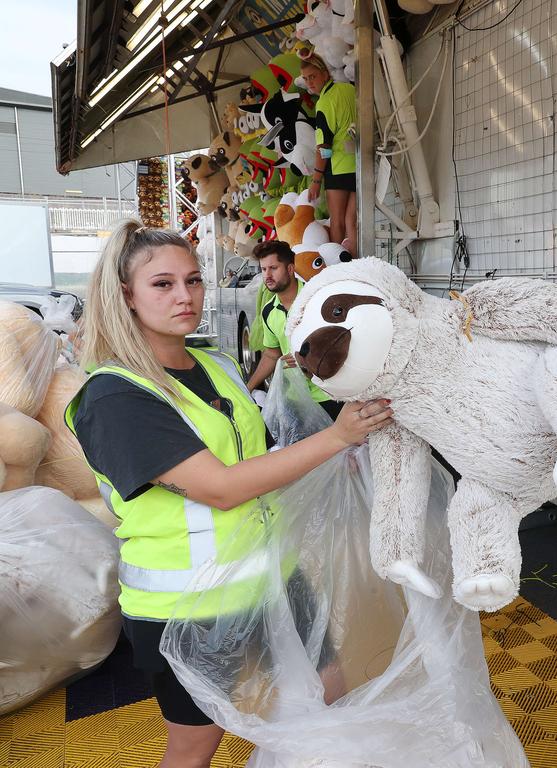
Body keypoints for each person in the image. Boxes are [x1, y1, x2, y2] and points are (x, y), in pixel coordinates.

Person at [67, 221, 392, 768]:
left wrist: (341, 453)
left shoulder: (216, 365)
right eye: (163, 285)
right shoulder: (117, 397)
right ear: (125, 296)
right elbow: (219, 489)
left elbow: (262, 460)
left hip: (270, 576)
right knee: (197, 744)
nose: (185, 297)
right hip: (187, 606)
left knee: (326, 689)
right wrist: (338, 436)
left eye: (193, 281)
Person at [244, 240, 340, 417]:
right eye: (263, 269)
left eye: (273, 268)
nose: (267, 275)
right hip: (296, 399)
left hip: (330, 394)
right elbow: (272, 354)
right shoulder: (268, 311)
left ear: (290, 269)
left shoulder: (318, 299)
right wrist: (247, 389)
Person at [302, 54, 358, 254]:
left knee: (337, 223)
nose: (309, 82)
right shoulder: (350, 89)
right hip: (359, 164)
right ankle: (358, 265)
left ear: (324, 74)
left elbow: (324, 148)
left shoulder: (324, 103)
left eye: (313, 76)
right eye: (306, 78)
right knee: (352, 222)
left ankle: (339, 272)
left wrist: (316, 180)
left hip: (338, 168)